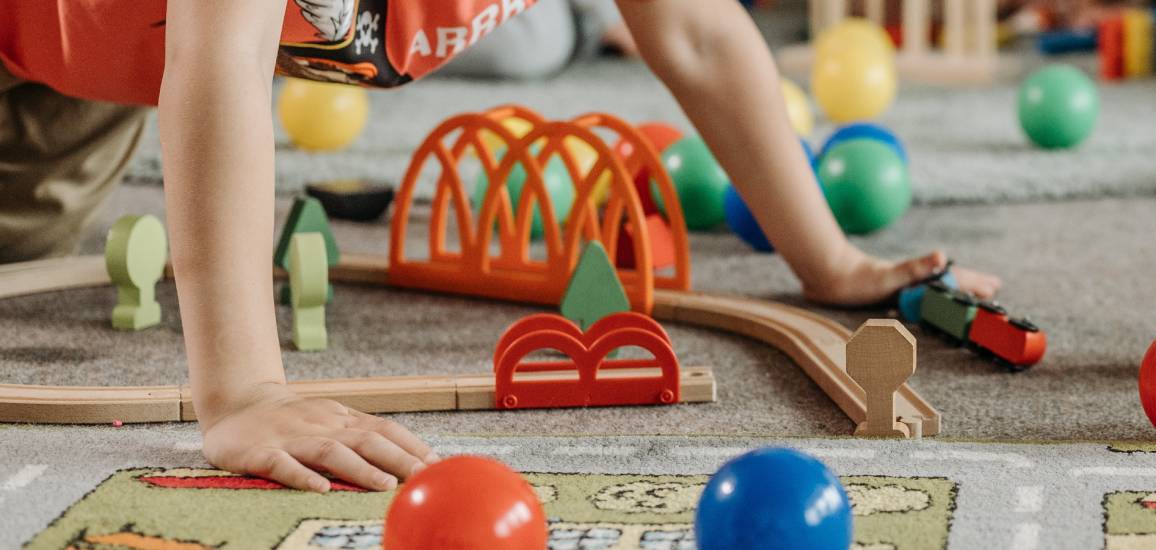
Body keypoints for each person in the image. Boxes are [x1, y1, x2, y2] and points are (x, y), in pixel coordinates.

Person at [0, 0, 999, 492]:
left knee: (23, 233)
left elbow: (696, 31)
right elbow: (217, 61)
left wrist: (831, 265)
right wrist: (244, 390)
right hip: (113, 39)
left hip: (100, 69)